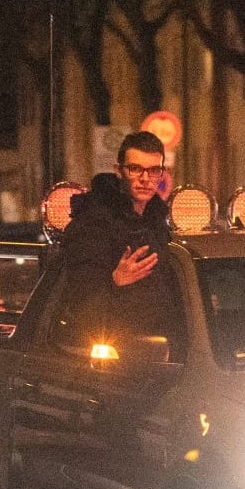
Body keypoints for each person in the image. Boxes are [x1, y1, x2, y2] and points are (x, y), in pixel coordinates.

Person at [57, 129, 178, 345]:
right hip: (112, 358)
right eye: (135, 169)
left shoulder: (158, 222)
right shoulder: (92, 224)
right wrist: (115, 281)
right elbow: (81, 307)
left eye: (153, 171)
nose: (145, 179)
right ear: (119, 171)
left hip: (162, 352)